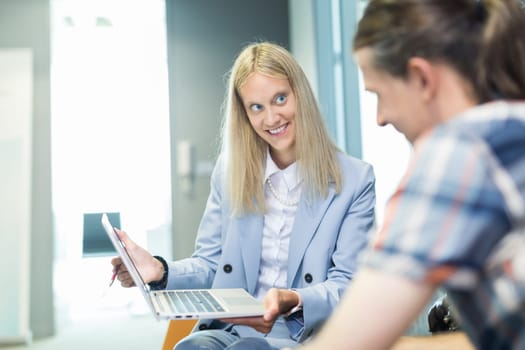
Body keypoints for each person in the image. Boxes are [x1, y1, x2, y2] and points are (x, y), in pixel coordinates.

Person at [110, 41, 376, 349]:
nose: (271, 118)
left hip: (306, 336)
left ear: (300, 94)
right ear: (245, 114)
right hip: (232, 329)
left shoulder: (355, 180)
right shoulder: (230, 172)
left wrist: (294, 299)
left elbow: (347, 284)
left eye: (280, 99)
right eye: (256, 107)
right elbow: (210, 265)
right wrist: (159, 270)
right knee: (191, 347)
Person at [292, 0, 525, 349]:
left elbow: (348, 343)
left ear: (421, 77)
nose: (380, 118)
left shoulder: (462, 151)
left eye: (379, 94)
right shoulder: (511, 129)